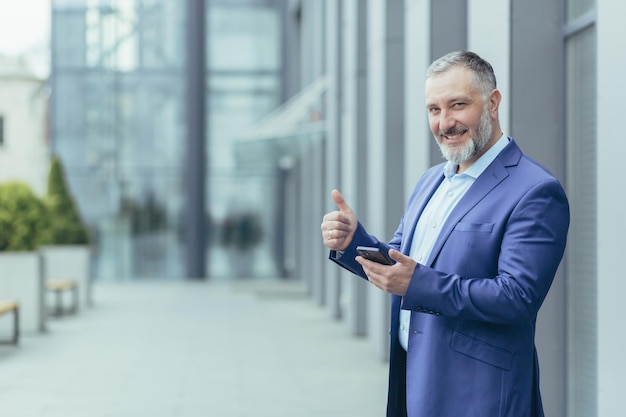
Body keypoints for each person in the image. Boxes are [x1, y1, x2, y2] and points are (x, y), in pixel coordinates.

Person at [320, 51, 569, 417]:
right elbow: (399, 262)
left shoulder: (535, 191)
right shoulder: (432, 180)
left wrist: (418, 282)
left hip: (478, 396)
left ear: (493, 103)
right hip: (413, 382)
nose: (445, 122)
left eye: (457, 105)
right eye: (434, 110)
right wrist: (353, 241)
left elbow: (517, 297)